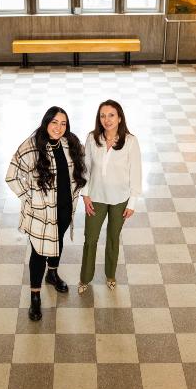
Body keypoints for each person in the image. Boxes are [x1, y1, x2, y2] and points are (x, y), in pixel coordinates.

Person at [6, 107, 86, 321]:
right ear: (45, 123)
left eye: (63, 123)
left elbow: (82, 167)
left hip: (65, 208)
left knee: (57, 242)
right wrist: (29, 199)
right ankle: (35, 297)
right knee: (38, 253)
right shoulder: (31, 146)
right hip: (40, 214)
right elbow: (11, 176)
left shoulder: (71, 143)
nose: (59, 128)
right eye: (54, 122)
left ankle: (52, 273)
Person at [79, 100, 142, 294]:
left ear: (120, 117)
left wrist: (132, 202)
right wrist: (85, 195)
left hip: (120, 199)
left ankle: (110, 275)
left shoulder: (130, 141)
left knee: (113, 238)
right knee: (90, 238)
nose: (106, 120)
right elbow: (85, 167)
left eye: (111, 115)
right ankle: (85, 278)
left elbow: (136, 173)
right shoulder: (92, 138)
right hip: (96, 197)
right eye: (102, 116)